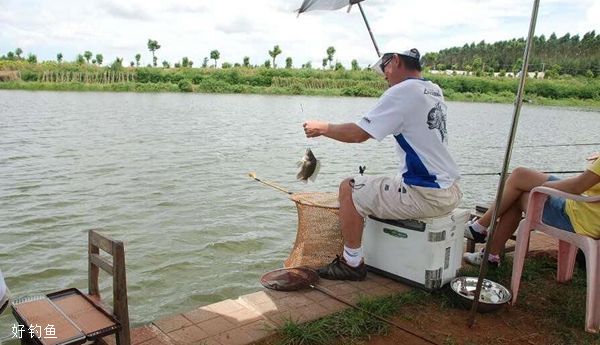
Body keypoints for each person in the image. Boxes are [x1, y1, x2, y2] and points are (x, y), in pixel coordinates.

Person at [303, 49, 462, 281]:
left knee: (349, 188)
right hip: (451, 191)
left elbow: (359, 134)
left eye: (385, 68)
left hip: (426, 195)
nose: (384, 76)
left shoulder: (402, 92)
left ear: (396, 61)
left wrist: (322, 128)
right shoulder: (433, 89)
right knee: (385, 181)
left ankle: (352, 262)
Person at [464, 154, 600, 267]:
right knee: (520, 174)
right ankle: (482, 233)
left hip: (579, 219)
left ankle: (485, 242)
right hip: (587, 209)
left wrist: (548, 186)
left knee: (516, 196)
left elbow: (577, 186)